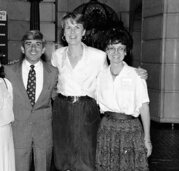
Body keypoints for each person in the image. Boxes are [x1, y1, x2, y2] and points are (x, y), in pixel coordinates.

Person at [51, 12, 148, 171]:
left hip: (87, 108)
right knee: (64, 154)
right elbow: (51, 80)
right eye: (68, 28)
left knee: (87, 155)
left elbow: (111, 76)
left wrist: (136, 73)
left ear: (83, 32)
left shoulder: (98, 56)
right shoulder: (57, 55)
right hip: (62, 109)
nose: (72, 32)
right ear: (63, 32)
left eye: (77, 27)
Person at [95, 27, 152, 171]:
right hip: (107, 129)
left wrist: (147, 139)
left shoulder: (136, 75)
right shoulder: (100, 76)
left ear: (126, 52)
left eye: (120, 48)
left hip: (130, 130)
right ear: (106, 51)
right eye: (111, 48)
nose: (116, 52)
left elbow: (144, 108)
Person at [4, 30, 58, 171]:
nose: (33, 48)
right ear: (22, 48)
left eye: (37, 44)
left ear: (44, 49)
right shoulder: (8, 71)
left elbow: (57, 98)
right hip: (18, 130)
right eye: (29, 44)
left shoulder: (53, 72)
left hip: (44, 132)